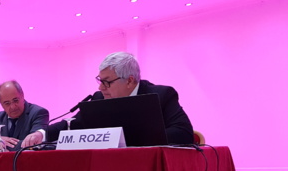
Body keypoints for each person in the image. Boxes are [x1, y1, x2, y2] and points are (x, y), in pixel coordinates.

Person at [48, 52, 194, 144]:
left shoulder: (161, 95)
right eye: (100, 80)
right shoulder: (100, 98)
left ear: (130, 81)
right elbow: (73, 124)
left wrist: (126, 139)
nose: (100, 88)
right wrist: (42, 134)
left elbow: (183, 133)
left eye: (107, 82)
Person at [0, 80, 49, 151]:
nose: (13, 106)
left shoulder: (38, 113)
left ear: (22, 96)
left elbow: (33, 144)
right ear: (1, 103)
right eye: (7, 103)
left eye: (15, 100)